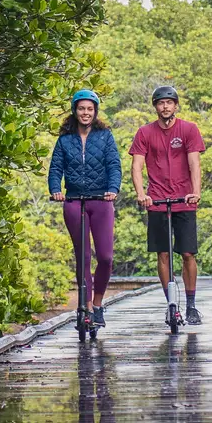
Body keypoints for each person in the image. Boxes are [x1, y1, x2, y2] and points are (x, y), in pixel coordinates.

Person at [130, 84, 205, 325]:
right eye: (161, 103)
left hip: (184, 199)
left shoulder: (189, 129)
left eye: (169, 103)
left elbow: (194, 163)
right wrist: (142, 194)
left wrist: (196, 192)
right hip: (158, 199)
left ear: (175, 106)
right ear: (155, 107)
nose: (165, 107)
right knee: (162, 253)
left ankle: (191, 305)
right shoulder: (144, 133)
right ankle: (171, 304)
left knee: (187, 253)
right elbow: (137, 166)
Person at [47, 89, 121, 330]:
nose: (85, 113)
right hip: (74, 201)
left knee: (106, 257)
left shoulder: (105, 136)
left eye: (90, 109)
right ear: (75, 111)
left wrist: (113, 188)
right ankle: (86, 306)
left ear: (95, 111)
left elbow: (114, 165)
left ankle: (98, 304)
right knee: (83, 257)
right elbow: (56, 168)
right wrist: (55, 189)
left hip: (101, 200)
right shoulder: (65, 139)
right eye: (81, 108)